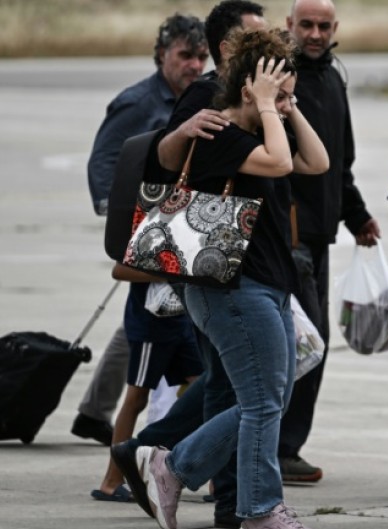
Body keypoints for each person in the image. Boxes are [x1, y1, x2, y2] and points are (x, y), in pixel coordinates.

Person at [136, 27, 328, 529]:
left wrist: (286, 103)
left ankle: (173, 465)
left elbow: (316, 161)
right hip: (229, 288)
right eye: (277, 92)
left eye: (289, 94)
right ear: (248, 89)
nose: (285, 103)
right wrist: (267, 102)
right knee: (263, 402)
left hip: (267, 284)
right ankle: (260, 510)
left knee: (270, 400)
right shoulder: (219, 133)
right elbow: (281, 161)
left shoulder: (267, 125)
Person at [110, 3, 268, 528]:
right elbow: (166, 160)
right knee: (240, 388)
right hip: (222, 263)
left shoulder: (262, 95)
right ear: (230, 48)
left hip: (255, 261)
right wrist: (188, 130)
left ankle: (157, 455)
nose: (269, 49)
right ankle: (208, 487)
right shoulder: (208, 93)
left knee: (240, 386)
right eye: (256, 40)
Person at [73, 13, 208, 446]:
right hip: (143, 228)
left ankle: (95, 411)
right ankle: (118, 435)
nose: (194, 65)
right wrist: (121, 220)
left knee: (141, 323)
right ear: (162, 54)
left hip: (173, 228)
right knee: (146, 322)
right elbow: (104, 160)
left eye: (201, 56)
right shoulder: (138, 102)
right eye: (185, 55)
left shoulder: (196, 100)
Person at [280, 0, 380, 483]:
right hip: (285, 238)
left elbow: (341, 163)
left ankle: (283, 448)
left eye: (323, 26)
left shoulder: (332, 79)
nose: (315, 34)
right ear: (289, 26)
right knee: (303, 346)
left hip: (320, 238)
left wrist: (356, 213)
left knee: (308, 347)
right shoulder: (278, 79)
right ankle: (273, 448)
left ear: (335, 28)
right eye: (306, 25)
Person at [92, 269, 204, 502]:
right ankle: (111, 481)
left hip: (182, 318)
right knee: (136, 398)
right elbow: (120, 269)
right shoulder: (140, 232)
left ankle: (220, 485)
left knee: (205, 391)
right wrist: (173, 273)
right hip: (151, 323)